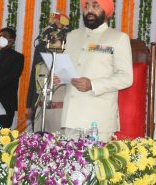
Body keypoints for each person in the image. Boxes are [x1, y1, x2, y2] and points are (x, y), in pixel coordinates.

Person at [56, 0, 133, 141]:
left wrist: (93, 84)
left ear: (106, 11)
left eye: (95, 5)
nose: (89, 10)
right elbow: (67, 70)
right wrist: (59, 77)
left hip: (98, 122)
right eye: (86, 6)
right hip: (71, 119)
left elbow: (126, 77)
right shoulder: (72, 36)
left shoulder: (118, 38)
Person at [26, 12, 70, 133]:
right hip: (41, 106)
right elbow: (34, 77)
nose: (51, 26)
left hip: (60, 109)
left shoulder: (70, 49)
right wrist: (29, 105)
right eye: (50, 24)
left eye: (54, 24)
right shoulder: (41, 47)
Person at [0, 28, 24, 128]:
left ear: (12, 40)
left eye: (4, 36)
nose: (1, 38)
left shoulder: (18, 57)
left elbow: (11, 77)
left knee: (3, 132)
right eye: (0, 36)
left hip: (6, 101)